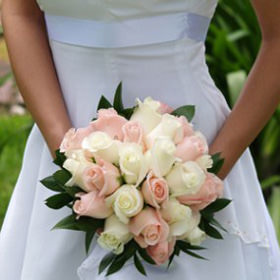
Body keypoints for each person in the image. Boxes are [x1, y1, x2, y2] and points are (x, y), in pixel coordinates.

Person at [0, 0, 279, 279]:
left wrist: (202, 180)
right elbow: (19, 12)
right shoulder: (65, 154)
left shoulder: (197, 176)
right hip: (63, 144)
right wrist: (69, 157)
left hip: (191, 156)